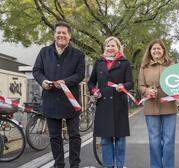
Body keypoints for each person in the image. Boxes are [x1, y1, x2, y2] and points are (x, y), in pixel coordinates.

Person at [33, 21, 85, 168]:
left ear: (69, 36)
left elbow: (80, 74)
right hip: (50, 99)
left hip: (71, 101)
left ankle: (75, 164)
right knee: (54, 137)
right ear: (54, 35)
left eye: (64, 33)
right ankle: (59, 164)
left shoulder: (78, 54)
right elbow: (37, 70)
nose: (61, 35)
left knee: (74, 135)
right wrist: (42, 81)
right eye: (59, 33)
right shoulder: (44, 52)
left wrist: (65, 82)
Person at [88, 36, 133, 168]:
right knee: (106, 140)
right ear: (104, 47)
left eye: (113, 46)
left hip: (119, 105)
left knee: (120, 140)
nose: (110, 48)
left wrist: (123, 86)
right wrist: (94, 91)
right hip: (103, 105)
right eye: (108, 45)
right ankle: (108, 165)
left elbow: (130, 82)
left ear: (118, 48)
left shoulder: (125, 63)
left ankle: (119, 165)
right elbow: (91, 82)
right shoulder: (99, 63)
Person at [138, 39, 178, 168]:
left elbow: (178, 83)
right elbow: (140, 86)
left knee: (168, 141)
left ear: (163, 50)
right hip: (151, 107)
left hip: (170, 107)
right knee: (154, 141)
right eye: (154, 48)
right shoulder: (144, 67)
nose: (156, 50)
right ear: (150, 51)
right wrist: (147, 91)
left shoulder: (172, 65)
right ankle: (156, 166)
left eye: (159, 48)